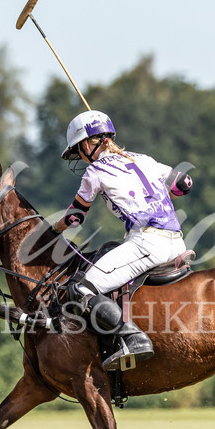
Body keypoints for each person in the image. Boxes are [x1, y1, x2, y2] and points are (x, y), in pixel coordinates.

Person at [51, 110, 193, 370]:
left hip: (147, 243)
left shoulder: (94, 172)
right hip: (177, 241)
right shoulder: (143, 159)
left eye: (79, 150)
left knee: (80, 289)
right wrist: (160, 197)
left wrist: (52, 231)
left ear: (89, 143)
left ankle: (134, 338)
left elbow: (75, 217)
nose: (81, 157)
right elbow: (183, 183)